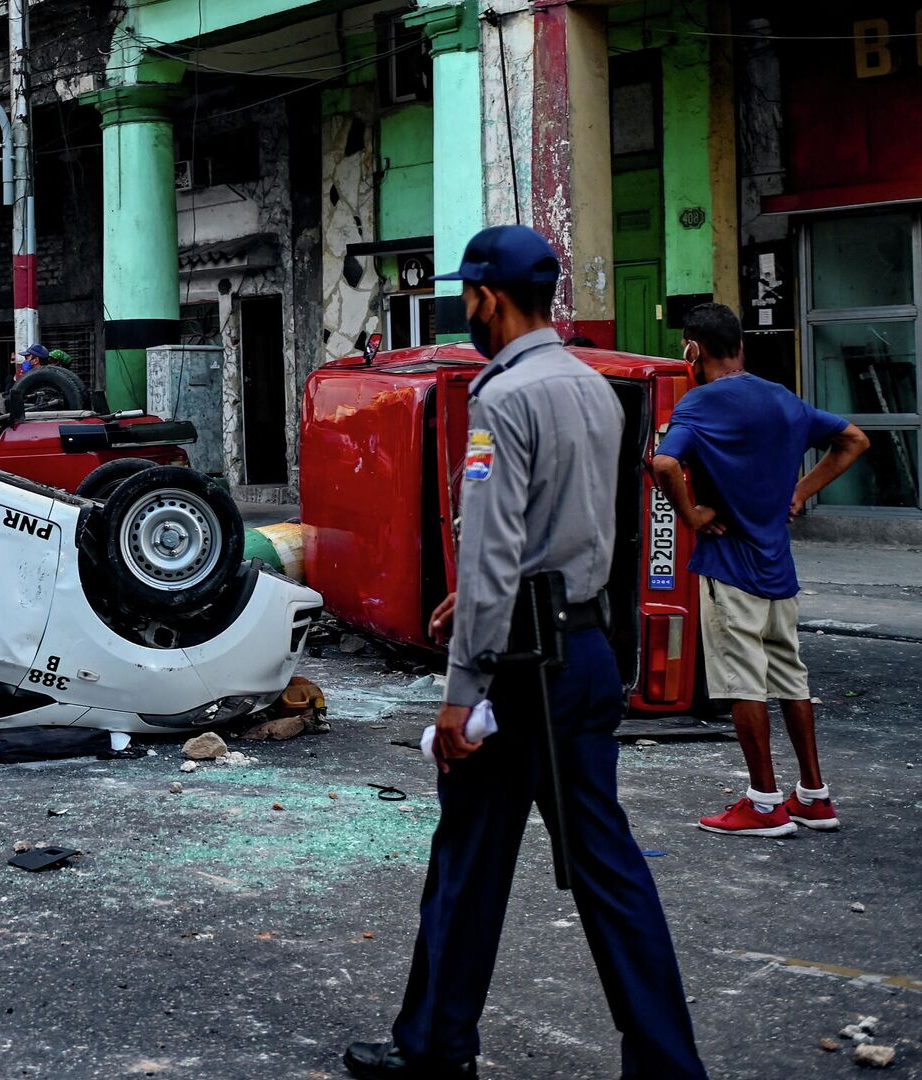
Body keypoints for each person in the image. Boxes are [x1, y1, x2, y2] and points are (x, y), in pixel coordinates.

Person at [344, 226, 707, 1080]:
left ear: (489, 300)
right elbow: (569, 529)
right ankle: (665, 1063)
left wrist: (458, 690)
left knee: (470, 858)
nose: (464, 310)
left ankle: (436, 1047)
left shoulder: (501, 399)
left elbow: (496, 545)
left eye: (466, 296)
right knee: (608, 870)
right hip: (581, 650)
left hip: (515, 668)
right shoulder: (591, 387)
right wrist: (475, 598)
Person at [650, 303, 869, 838]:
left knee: (742, 682)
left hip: (730, 570)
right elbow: (854, 439)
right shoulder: (783, 399)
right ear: (741, 346)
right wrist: (801, 490)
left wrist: (693, 515)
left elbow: (663, 463)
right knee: (791, 679)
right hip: (778, 569)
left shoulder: (699, 404)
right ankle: (814, 796)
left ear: (692, 350)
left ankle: (764, 802)